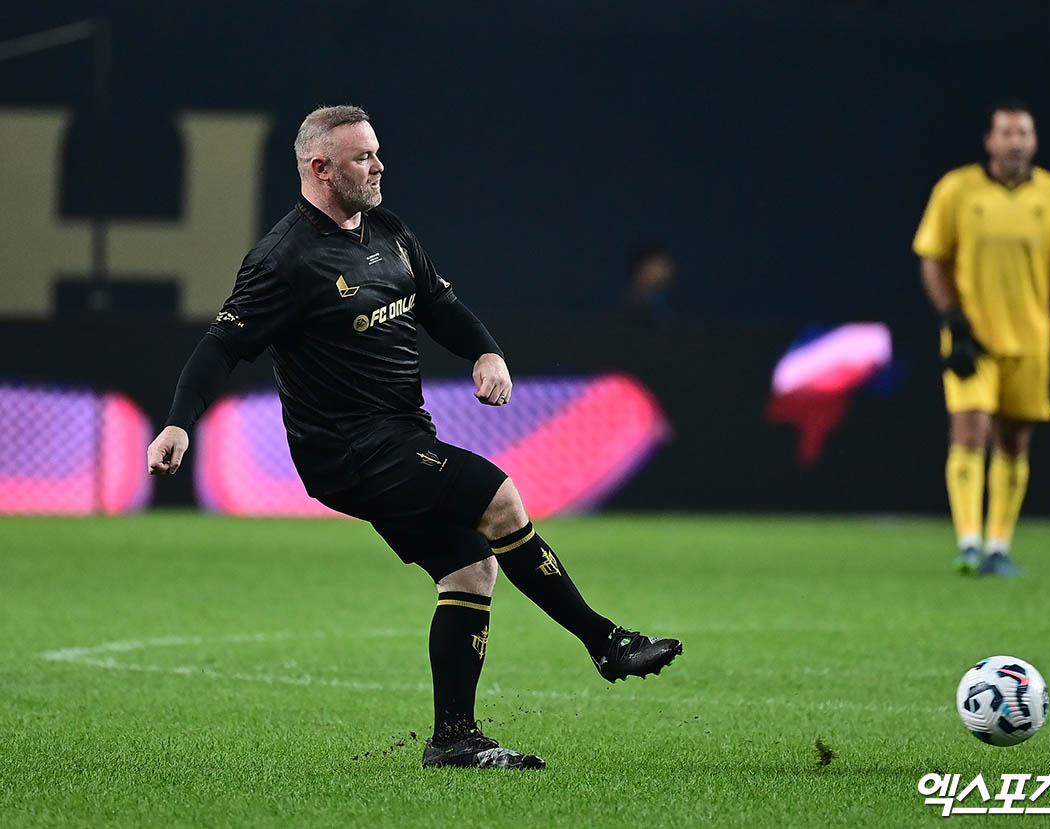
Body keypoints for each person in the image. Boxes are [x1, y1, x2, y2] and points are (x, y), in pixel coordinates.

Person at [146, 105, 682, 769]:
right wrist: (178, 421)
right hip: (346, 451)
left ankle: (453, 739)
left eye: (376, 152)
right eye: (362, 157)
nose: (379, 166)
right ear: (320, 168)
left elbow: (440, 306)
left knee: (470, 566)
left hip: (400, 436)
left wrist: (485, 351)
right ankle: (605, 642)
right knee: (498, 497)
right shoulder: (284, 260)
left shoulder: (391, 232)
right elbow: (221, 346)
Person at [912, 100, 1050, 576]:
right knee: (970, 427)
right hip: (973, 338)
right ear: (989, 141)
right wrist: (953, 321)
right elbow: (932, 258)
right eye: (1006, 133)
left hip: (1030, 339)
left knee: (1014, 440)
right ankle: (969, 542)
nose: (1015, 142)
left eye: (1023, 133)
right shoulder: (957, 190)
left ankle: (998, 547)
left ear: (1035, 141)